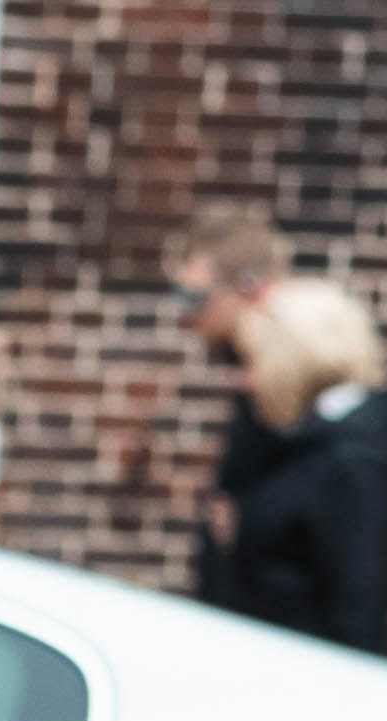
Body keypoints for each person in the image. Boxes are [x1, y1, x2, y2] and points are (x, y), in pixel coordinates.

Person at [222, 280, 387, 656]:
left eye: (254, 360)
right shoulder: (315, 440)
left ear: (293, 360)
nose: (247, 380)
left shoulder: (353, 458)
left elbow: (358, 614)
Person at [170, 195, 295, 605]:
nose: (184, 316)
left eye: (194, 298)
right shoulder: (257, 382)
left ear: (249, 289)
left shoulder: (288, 390)